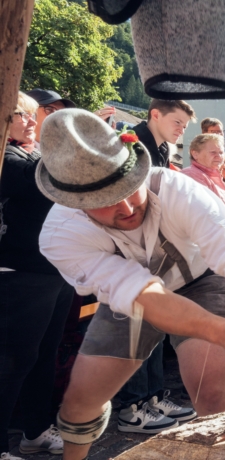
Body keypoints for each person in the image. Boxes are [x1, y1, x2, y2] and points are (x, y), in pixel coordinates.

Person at [36, 109, 225, 460]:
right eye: (106, 201)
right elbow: (146, 297)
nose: (128, 205)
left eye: (130, 188)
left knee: (213, 398)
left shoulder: (178, 190)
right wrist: (222, 332)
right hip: (130, 301)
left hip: (198, 282)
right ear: (73, 203)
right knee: (80, 402)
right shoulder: (60, 235)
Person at [0, 92, 73, 458]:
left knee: (45, 356)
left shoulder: (31, 153)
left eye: (32, 116)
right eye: (21, 115)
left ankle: (34, 431)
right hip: (22, 273)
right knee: (13, 362)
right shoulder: (8, 157)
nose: (31, 121)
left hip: (52, 272)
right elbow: (40, 177)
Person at [182, 134, 225, 217]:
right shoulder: (190, 175)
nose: (219, 156)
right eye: (213, 152)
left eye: (221, 152)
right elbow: (203, 215)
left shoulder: (218, 179)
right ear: (195, 154)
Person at [133, 99, 196, 168]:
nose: (182, 131)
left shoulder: (164, 150)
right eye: (177, 122)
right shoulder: (130, 147)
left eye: (184, 127)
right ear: (156, 115)